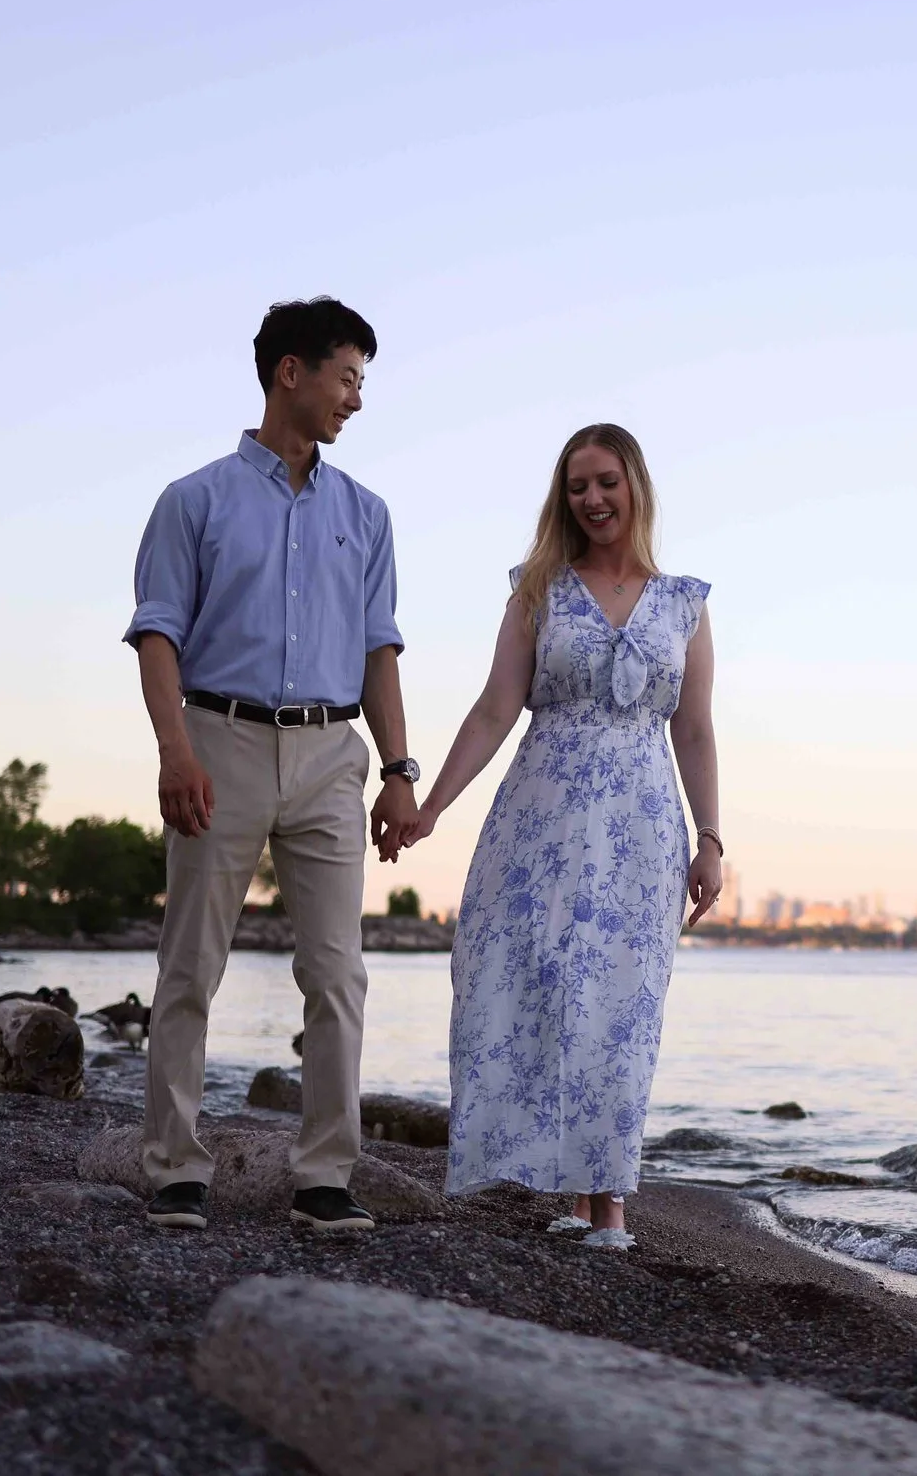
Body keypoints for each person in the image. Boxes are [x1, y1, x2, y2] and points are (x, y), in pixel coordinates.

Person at [122, 297, 422, 1235]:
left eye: (363, 382)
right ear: (289, 371)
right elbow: (158, 632)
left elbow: (380, 648)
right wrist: (176, 748)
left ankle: (325, 1174)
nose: (356, 400)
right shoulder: (193, 500)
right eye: (347, 377)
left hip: (335, 753)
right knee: (190, 964)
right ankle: (175, 1166)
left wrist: (401, 769)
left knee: (337, 973)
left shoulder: (366, 515)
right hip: (222, 740)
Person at [402, 423, 720, 1249]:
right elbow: (494, 708)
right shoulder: (538, 589)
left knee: (622, 1003)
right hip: (542, 820)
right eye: (578, 485)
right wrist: (431, 803)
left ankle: (608, 1198)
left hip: (644, 828)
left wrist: (711, 838)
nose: (593, 498)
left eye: (607, 481)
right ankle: (568, 1191)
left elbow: (695, 731)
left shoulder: (685, 603)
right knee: (542, 987)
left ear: (635, 486)